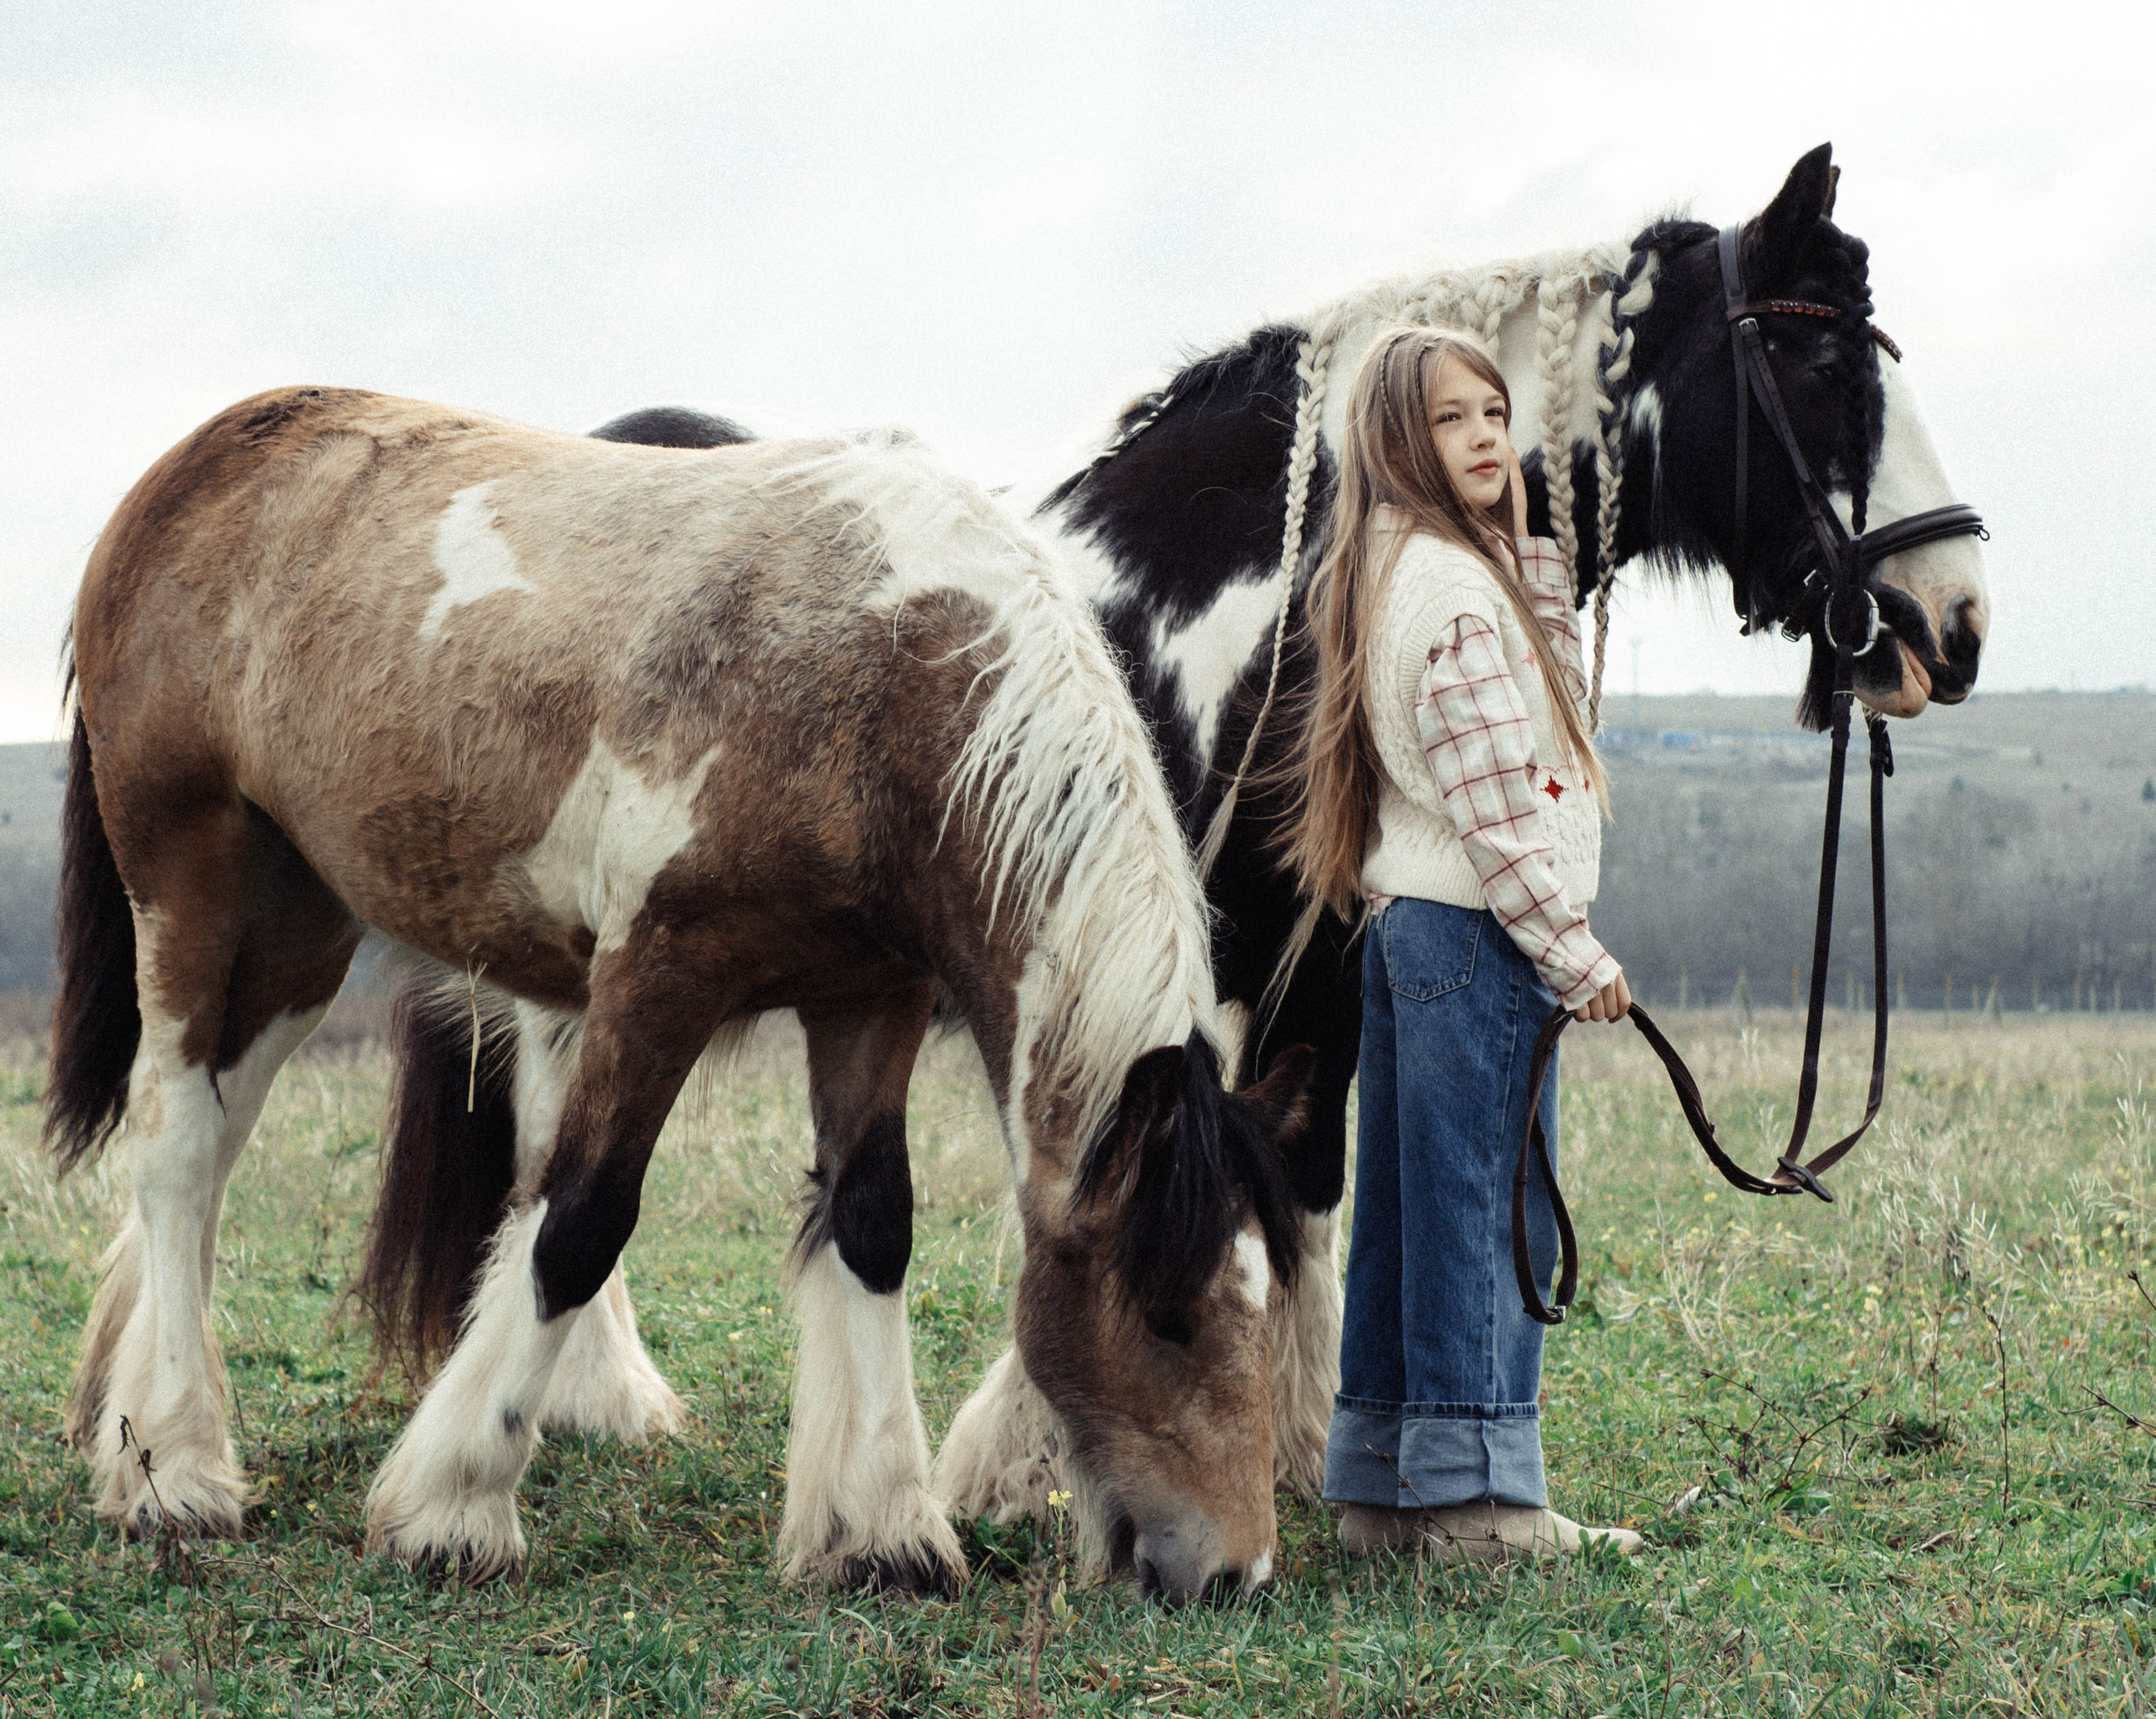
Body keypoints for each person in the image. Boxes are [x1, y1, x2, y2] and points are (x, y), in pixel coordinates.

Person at [1281, 323, 1644, 1562]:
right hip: (1479, 930)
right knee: (1491, 1215)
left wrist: (1523, 552)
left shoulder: (1402, 569)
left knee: (1407, 1213)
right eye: (1453, 419)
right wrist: (1574, 952)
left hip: (1412, 930)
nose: (1488, 435)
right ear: (1399, 440)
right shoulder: (1446, 594)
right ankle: (1484, 1504)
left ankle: (1384, 1490)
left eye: (1495, 412)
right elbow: (1497, 808)